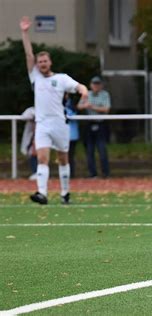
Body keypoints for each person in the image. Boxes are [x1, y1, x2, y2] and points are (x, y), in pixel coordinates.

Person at [20, 16, 88, 205]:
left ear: (50, 62)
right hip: (42, 124)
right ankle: (42, 193)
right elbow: (28, 55)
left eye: (44, 61)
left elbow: (79, 86)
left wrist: (84, 93)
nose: (41, 64)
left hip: (59, 123)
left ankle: (65, 194)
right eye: (39, 61)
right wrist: (24, 33)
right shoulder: (35, 77)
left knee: (63, 159)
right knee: (42, 158)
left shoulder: (61, 78)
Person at [77, 76, 111, 178]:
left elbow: (106, 109)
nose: (96, 86)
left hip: (101, 124)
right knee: (89, 150)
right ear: (91, 85)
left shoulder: (105, 94)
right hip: (89, 124)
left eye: (98, 84)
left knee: (102, 150)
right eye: (94, 84)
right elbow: (79, 106)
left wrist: (92, 107)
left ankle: (105, 173)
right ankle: (92, 174)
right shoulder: (87, 94)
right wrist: (85, 106)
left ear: (101, 85)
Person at [64, 94, 79, 178]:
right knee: (63, 155)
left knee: (70, 155)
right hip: (61, 134)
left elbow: (71, 115)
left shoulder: (72, 104)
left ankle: (71, 174)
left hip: (71, 135)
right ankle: (65, 174)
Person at [20, 106, 37, 180]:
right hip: (31, 136)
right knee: (31, 153)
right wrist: (33, 116)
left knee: (40, 154)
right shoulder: (31, 110)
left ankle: (38, 172)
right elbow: (24, 116)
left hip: (42, 136)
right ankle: (35, 171)